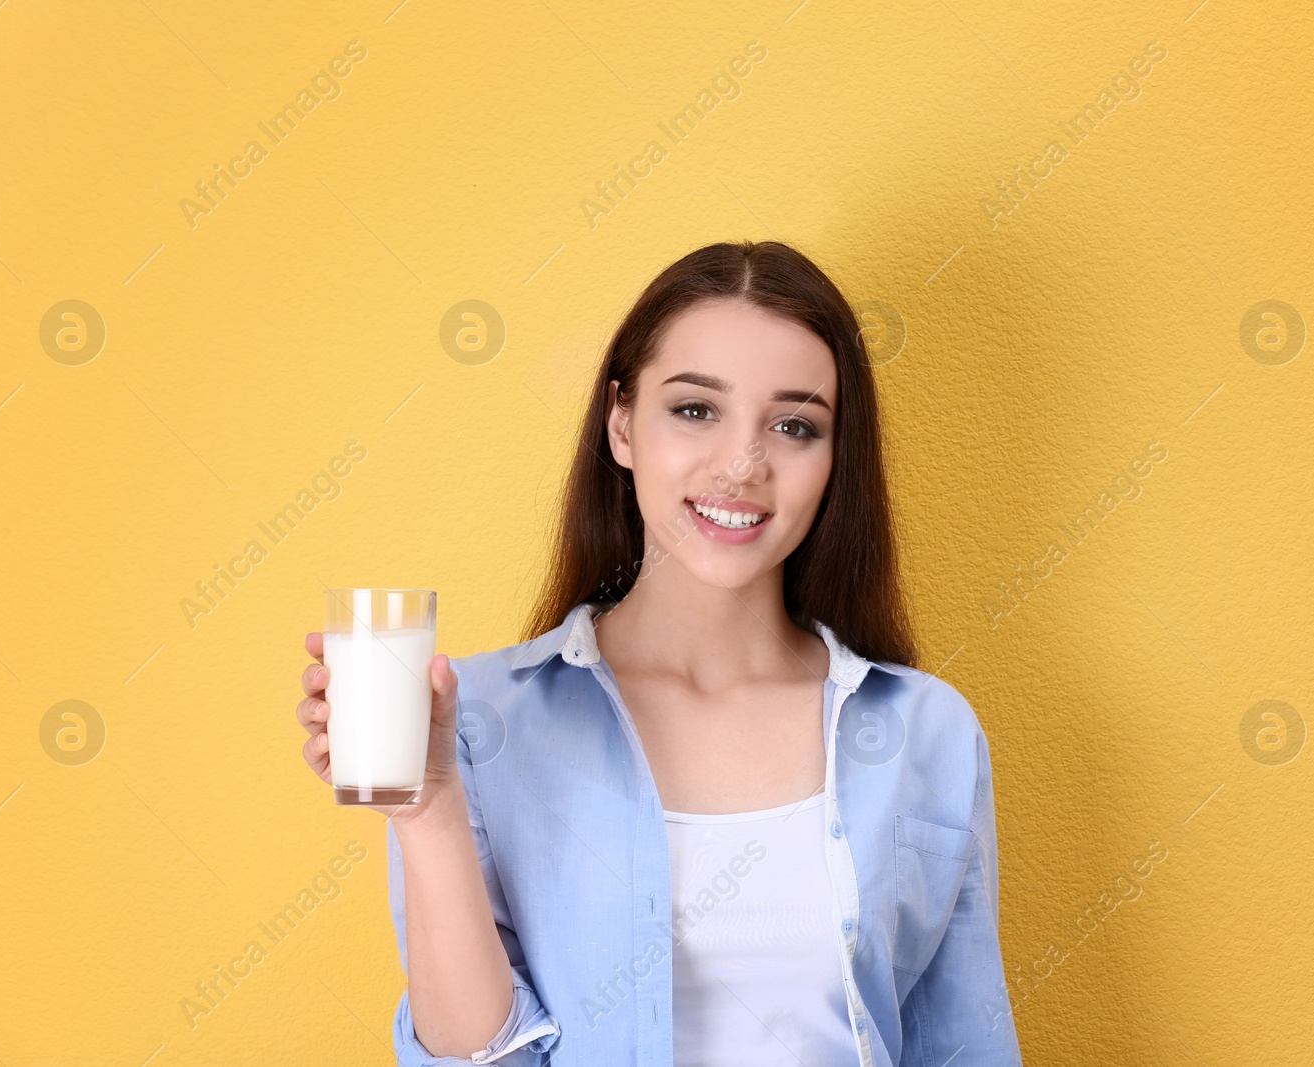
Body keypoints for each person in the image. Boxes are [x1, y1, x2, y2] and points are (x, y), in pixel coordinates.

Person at [297, 240, 1023, 1066]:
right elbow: (473, 1060)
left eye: (794, 425)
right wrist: (425, 807)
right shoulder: (476, 721)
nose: (742, 465)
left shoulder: (925, 731)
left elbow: (965, 1046)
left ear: (834, 460)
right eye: (695, 409)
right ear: (621, 423)